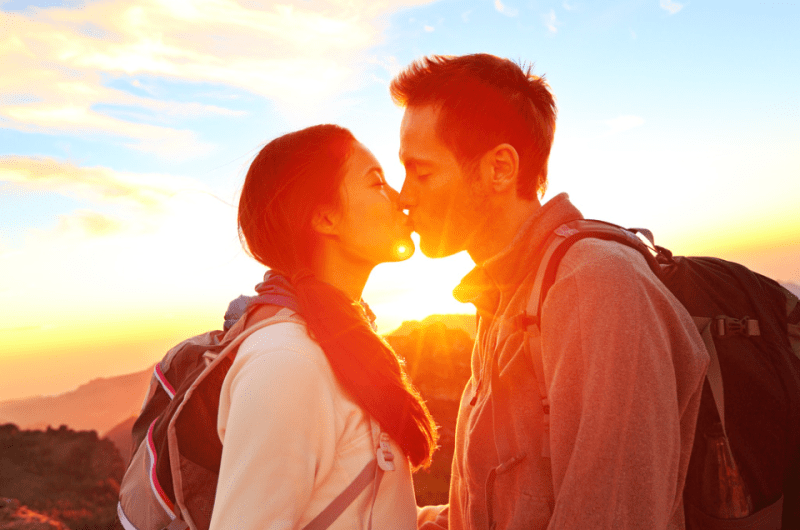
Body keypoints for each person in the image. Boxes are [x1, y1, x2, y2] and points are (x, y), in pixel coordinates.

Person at [391, 54, 710, 529]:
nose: (404, 195)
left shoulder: (595, 287)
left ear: (500, 168)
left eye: (421, 172)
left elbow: (614, 515)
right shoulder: (506, 297)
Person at [208, 124, 437, 529]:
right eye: (377, 183)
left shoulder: (338, 339)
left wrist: (427, 520)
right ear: (326, 217)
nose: (400, 198)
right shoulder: (287, 363)